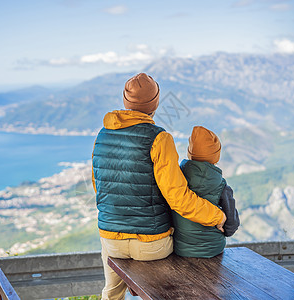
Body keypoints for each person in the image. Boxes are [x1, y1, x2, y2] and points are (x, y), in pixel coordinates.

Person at [92, 73, 227, 300]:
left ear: (126, 101)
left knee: (111, 291)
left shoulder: (102, 135)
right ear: (154, 104)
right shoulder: (160, 138)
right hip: (152, 245)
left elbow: (100, 189)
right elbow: (179, 199)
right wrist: (217, 217)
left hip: (111, 240)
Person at [172, 126, 240, 258]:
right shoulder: (221, 186)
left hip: (180, 248)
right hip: (213, 249)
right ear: (216, 157)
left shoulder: (177, 181)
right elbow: (232, 225)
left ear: (190, 153)